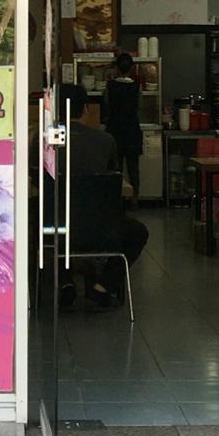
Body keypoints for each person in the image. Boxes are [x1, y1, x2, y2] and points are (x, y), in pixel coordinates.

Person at [56, 82, 148, 309]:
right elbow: (114, 181)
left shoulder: (45, 141)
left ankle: (64, 282)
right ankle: (103, 285)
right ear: (85, 109)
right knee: (138, 232)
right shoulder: (105, 141)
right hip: (102, 228)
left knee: (35, 223)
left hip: (56, 227)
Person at [101, 52, 143, 199]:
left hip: (114, 130)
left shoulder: (110, 86)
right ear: (131, 68)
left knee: (115, 167)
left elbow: (106, 104)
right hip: (132, 130)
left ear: (117, 68)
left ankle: (116, 198)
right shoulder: (137, 86)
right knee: (133, 168)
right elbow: (139, 106)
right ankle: (134, 199)